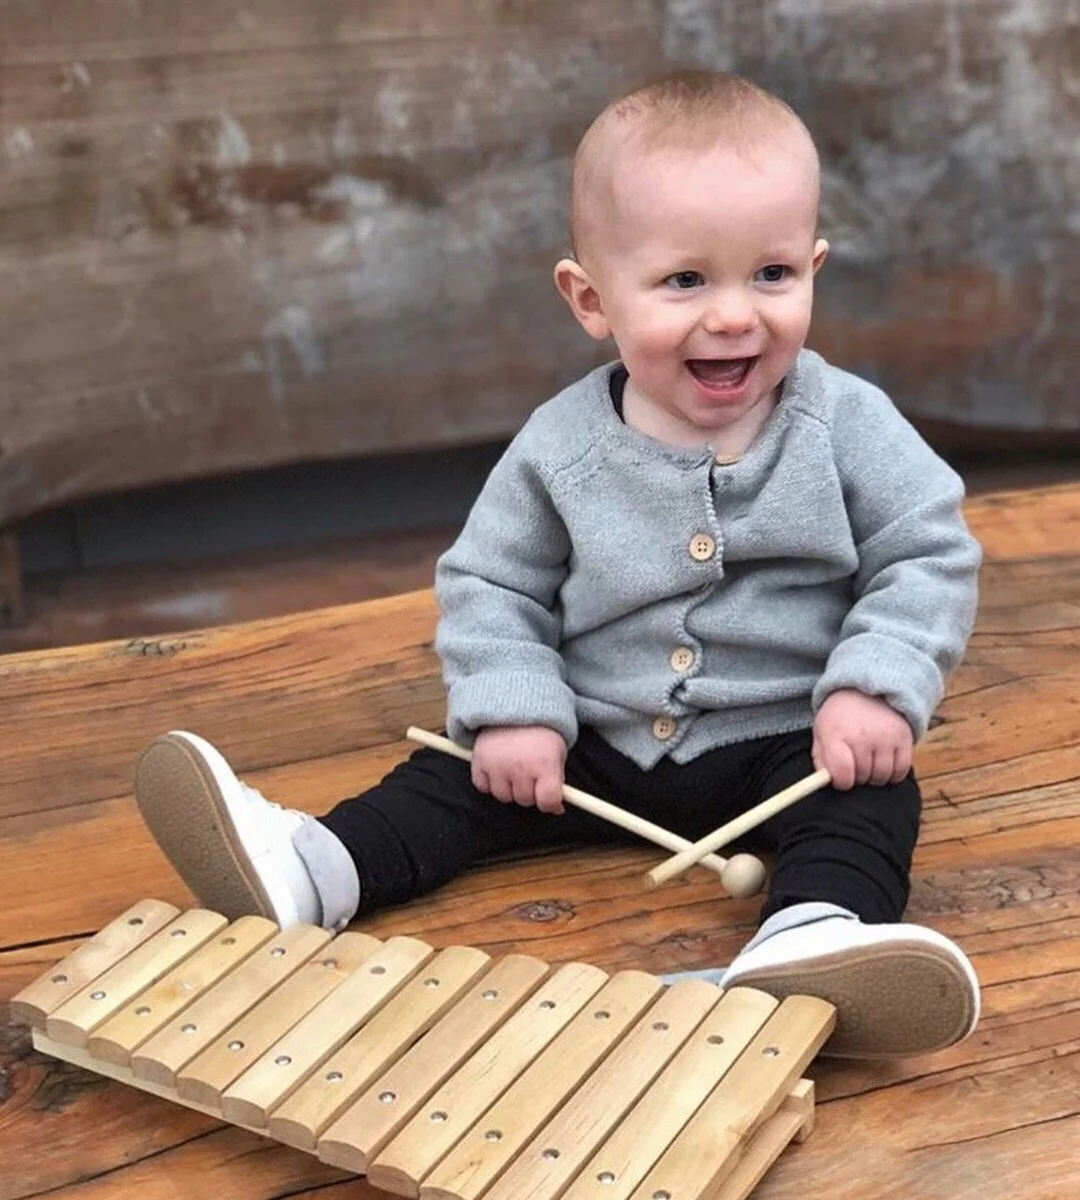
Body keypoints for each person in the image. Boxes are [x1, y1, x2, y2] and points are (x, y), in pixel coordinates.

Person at [133, 70, 982, 1060]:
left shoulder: (846, 424)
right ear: (590, 298)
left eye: (772, 275)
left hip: (786, 747)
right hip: (588, 746)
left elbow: (927, 548)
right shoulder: (561, 447)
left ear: (814, 270)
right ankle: (314, 869)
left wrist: (877, 687)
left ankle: (816, 934)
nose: (735, 316)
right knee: (453, 778)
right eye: (684, 281)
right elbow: (491, 584)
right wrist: (515, 707)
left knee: (870, 797)